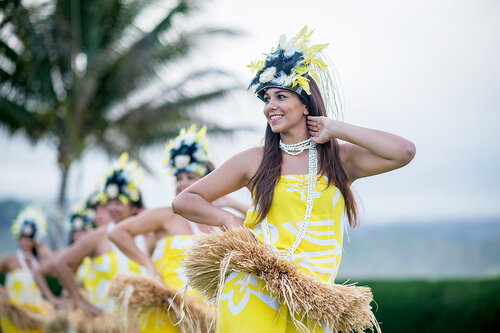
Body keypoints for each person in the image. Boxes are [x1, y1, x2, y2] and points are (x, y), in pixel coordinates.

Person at [172, 26, 416, 332]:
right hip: (254, 287)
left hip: (313, 298)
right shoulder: (255, 159)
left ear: (305, 104)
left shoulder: (340, 159)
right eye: (266, 98)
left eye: (280, 96)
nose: (269, 105)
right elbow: (184, 201)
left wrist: (336, 128)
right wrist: (232, 223)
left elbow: (403, 151)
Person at [108, 125, 248, 332]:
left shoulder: (224, 222)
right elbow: (117, 233)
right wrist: (148, 265)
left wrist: (230, 200)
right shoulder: (165, 215)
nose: (182, 183)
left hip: (212, 315)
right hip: (169, 310)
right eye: (178, 178)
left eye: (190, 177)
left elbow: (264, 223)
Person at [54, 152, 156, 320]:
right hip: (104, 323)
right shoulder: (97, 237)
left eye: (118, 202)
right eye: (109, 202)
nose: (112, 208)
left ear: (134, 207)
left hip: (141, 323)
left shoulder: (148, 238)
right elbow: (61, 263)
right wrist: (81, 301)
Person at [0, 206, 55, 332]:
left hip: (36, 314)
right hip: (14, 315)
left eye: (29, 239)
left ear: (35, 241)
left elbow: (58, 272)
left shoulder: (40, 263)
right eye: (22, 237)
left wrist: (48, 254)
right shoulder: (10, 259)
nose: (25, 242)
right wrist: (1, 291)